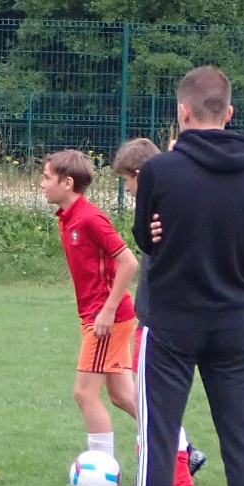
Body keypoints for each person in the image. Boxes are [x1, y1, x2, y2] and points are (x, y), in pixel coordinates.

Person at [102, 66, 244, 486]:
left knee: (159, 439)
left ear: (182, 112)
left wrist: (164, 230)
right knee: (243, 442)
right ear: (230, 113)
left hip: (171, 325)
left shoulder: (160, 171)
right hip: (233, 323)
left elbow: (145, 239)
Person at [111, 137, 205, 486]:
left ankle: (176, 483)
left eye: (127, 180)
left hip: (160, 323)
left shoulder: (163, 210)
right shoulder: (161, 206)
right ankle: (165, 479)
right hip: (155, 319)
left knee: (153, 407)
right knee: (154, 406)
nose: (127, 188)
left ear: (140, 174)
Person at [39, 149, 139, 468]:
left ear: (67, 183)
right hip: (102, 316)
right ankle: (182, 447)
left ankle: (101, 469)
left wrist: (107, 311)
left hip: (105, 319)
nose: (41, 184)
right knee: (123, 396)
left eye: (47, 178)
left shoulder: (90, 218)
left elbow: (128, 262)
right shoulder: (68, 216)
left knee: (84, 393)